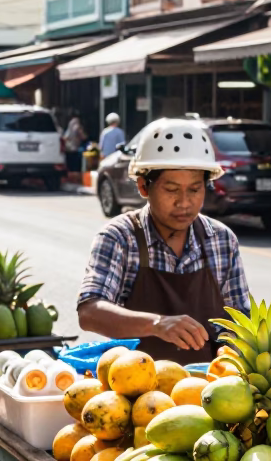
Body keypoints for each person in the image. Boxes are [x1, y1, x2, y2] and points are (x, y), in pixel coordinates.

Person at [78, 117, 251, 364]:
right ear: (143, 187)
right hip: (134, 390)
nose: (184, 202)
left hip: (207, 391)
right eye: (171, 190)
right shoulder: (119, 237)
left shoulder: (221, 240)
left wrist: (231, 350)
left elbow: (240, 319)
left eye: (194, 189)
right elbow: (90, 312)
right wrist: (157, 324)